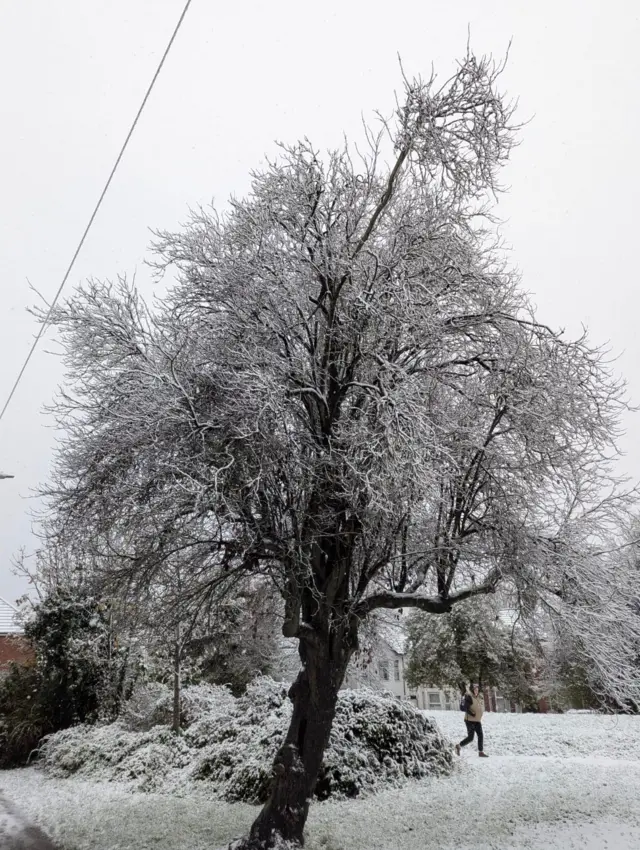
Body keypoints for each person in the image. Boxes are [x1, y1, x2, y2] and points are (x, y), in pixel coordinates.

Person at [455, 682, 488, 757]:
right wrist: (472, 713)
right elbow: (465, 707)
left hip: (477, 720)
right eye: (475, 689)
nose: (476, 690)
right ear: (472, 690)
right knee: (470, 738)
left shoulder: (478, 697)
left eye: (477, 689)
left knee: (480, 735)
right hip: (469, 720)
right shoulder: (469, 696)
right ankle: (458, 746)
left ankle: (480, 752)